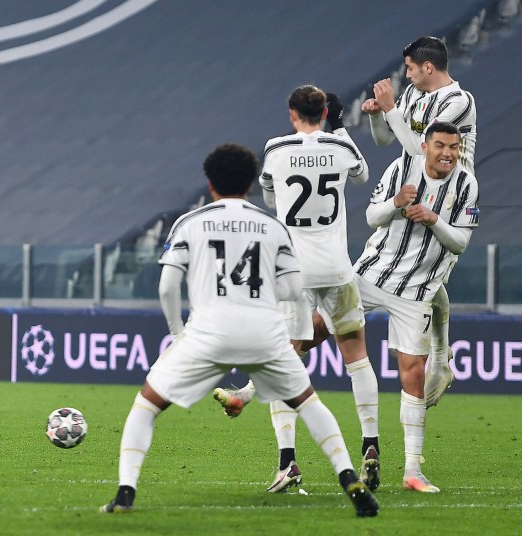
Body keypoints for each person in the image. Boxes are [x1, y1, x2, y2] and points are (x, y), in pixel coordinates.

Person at [98, 143, 378, 517]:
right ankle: (348, 478)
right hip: (265, 334)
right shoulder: (273, 226)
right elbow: (295, 289)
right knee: (309, 404)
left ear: (210, 183)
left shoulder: (191, 222)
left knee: (146, 406)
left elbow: (167, 287)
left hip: (208, 333)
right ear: (249, 184)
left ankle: (125, 494)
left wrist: (177, 333)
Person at [213, 86, 381, 493]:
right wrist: (339, 129)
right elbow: (362, 174)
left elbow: (271, 198)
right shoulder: (339, 147)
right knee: (356, 354)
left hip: (293, 271)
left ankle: (288, 462)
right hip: (337, 267)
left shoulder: (276, 149)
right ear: (324, 111)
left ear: (292, 114)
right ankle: (371, 445)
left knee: (285, 360)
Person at [351, 121, 478, 492]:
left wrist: (433, 218)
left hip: (417, 291)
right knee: (317, 328)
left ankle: (412, 472)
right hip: (372, 275)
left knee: (412, 372)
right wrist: (396, 204)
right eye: (440, 145)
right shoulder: (400, 169)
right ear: (425, 146)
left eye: (454, 147)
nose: (448, 153)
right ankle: (253, 386)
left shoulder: (466, 184)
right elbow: (372, 217)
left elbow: (459, 244)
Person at [363, 36, 477, 407]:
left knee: (427, 275)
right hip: (413, 188)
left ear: (428, 67)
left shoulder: (459, 101)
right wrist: (379, 115)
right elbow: (388, 142)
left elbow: (422, 148)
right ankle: (441, 362)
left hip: (449, 196)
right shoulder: (414, 97)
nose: (407, 74)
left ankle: (440, 362)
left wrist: (392, 108)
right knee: (422, 276)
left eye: (410, 68)